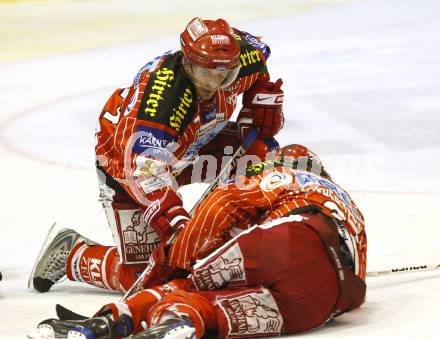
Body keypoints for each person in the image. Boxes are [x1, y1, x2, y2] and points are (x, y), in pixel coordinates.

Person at [29, 17, 284, 294]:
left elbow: (259, 58)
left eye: (225, 74)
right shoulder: (163, 103)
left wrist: (258, 103)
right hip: (125, 164)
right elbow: (143, 171)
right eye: (205, 72)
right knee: (155, 278)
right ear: (186, 62)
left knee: (262, 154)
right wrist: (177, 223)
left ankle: (246, 231)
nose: (215, 81)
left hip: (193, 144)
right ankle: (72, 255)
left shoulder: (241, 58)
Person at [30, 144, 367, 339]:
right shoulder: (348, 209)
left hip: (289, 242)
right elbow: (356, 289)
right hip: (325, 300)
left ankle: (106, 315)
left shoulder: (285, 175)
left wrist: (176, 259)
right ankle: (179, 321)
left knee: (171, 277)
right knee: (216, 312)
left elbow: (225, 204)